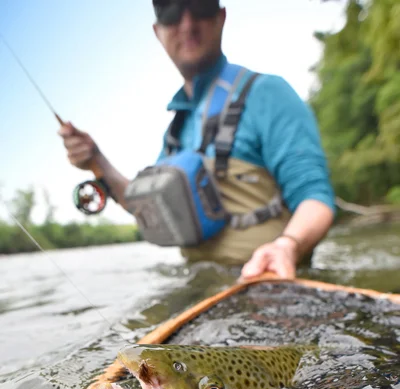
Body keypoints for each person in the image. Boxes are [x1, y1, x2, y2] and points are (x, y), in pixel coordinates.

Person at [59, 0, 335, 280]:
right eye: (171, 13)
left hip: (272, 285)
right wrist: (98, 161)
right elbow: (144, 206)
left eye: (200, 6)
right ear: (158, 31)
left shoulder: (268, 93)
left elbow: (316, 199)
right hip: (200, 287)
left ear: (221, 17)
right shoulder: (175, 131)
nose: (187, 24)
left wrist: (288, 246)